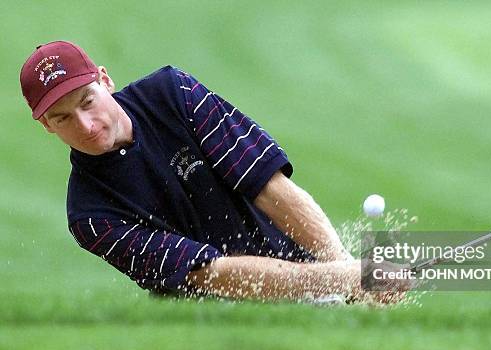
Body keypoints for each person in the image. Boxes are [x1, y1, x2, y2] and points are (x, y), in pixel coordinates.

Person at [20, 41, 405, 304]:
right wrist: (344, 279)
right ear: (46, 126)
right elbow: (211, 274)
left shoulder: (173, 93)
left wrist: (347, 270)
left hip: (313, 271)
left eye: (88, 101)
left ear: (105, 80)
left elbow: (268, 187)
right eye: (63, 117)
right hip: (231, 327)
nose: (85, 125)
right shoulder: (90, 216)